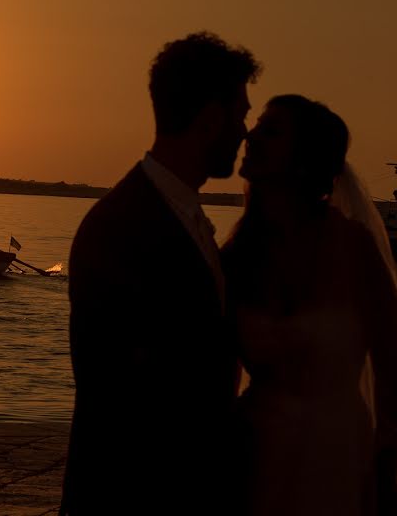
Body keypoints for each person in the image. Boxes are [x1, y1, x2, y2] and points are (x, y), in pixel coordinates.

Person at [59, 32, 261, 514]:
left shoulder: (182, 215)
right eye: (240, 114)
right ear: (210, 121)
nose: (245, 131)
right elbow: (119, 391)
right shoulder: (121, 226)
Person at [222, 95, 397, 515]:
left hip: (339, 458)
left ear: (302, 160)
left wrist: (385, 462)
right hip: (257, 455)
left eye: (272, 130)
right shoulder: (237, 255)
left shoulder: (354, 248)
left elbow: (392, 367)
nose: (252, 135)